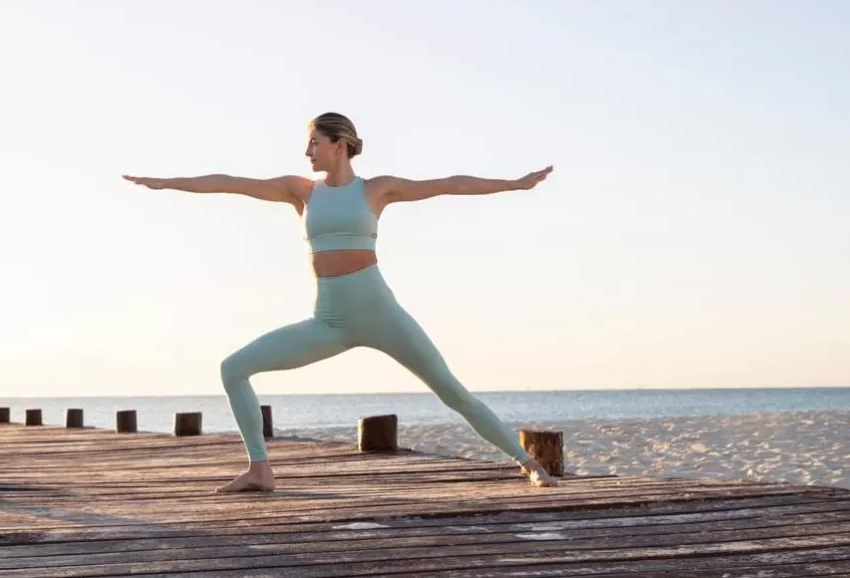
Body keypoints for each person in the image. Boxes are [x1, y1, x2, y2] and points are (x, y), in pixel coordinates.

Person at [123, 111, 557, 493]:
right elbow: (231, 184)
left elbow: (449, 185)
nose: (307, 151)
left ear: (340, 144)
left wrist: (512, 185)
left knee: (453, 392)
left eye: (314, 142)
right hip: (329, 322)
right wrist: (169, 183)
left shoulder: (377, 189)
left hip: (381, 314)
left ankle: (530, 465)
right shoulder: (301, 192)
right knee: (233, 368)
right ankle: (259, 469)